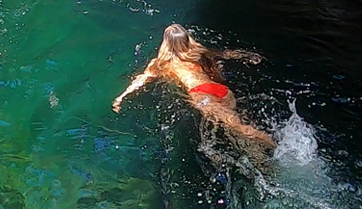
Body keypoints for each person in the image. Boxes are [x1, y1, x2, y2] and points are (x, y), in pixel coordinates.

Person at [111, 24, 275, 150]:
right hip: (220, 90)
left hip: (201, 95)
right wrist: (247, 55)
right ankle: (262, 155)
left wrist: (121, 97)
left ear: (166, 44)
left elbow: (141, 80)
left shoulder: (162, 64)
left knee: (240, 129)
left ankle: (275, 145)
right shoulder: (198, 52)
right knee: (237, 127)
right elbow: (224, 54)